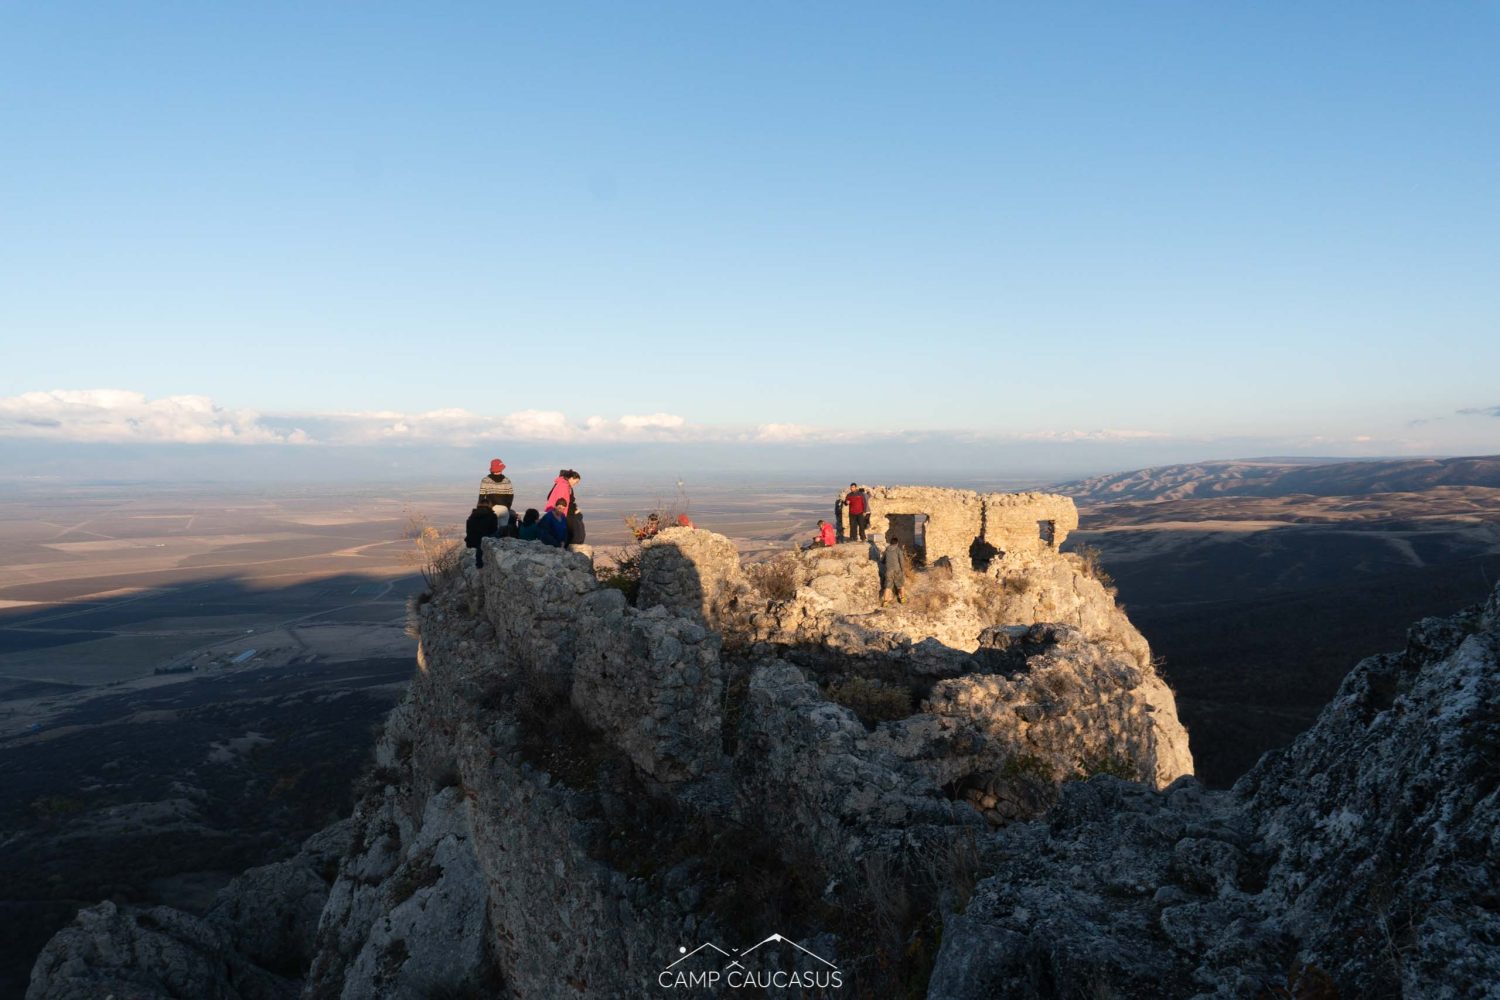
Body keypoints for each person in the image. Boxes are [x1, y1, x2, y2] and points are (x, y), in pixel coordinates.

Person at [546, 469, 585, 544]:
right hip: (562, 513)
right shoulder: (563, 486)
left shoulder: (565, 485)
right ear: (571, 478)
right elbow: (560, 502)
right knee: (572, 529)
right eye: (576, 481)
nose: (576, 483)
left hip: (565, 512)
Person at [464, 499, 499, 568]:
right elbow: (494, 530)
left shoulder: (472, 516)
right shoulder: (492, 516)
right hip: (485, 541)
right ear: (489, 505)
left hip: (472, 541)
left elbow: (468, 529)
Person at [881, 537, 907, 605]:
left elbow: (882, 560)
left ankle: (885, 602)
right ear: (897, 543)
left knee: (888, 586)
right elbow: (901, 561)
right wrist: (903, 570)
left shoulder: (887, 550)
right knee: (901, 585)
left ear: (890, 543)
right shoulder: (898, 550)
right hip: (897, 570)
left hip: (888, 571)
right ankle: (903, 599)